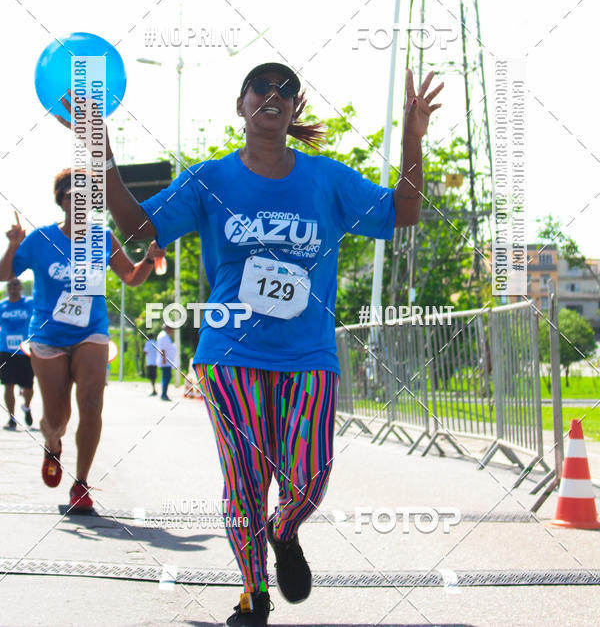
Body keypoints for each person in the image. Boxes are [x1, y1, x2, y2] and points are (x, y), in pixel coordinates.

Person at [55, 62, 442, 624]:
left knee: (309, 478)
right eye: (262, 86)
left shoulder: (327, 180)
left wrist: (411, 139)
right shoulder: (210, 180)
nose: (274, 95)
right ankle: (253, 591)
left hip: (308, 354)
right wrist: (100, 150)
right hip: (230, 354)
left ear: (295, 110)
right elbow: (139, 230)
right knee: (244, 477)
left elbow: (403, 212)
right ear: (241, 105)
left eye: (286, 90)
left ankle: (284, 531)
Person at [0, 169, 165, 510]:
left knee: (91, 402)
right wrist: (13, 246)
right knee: (56, 418)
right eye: (72, 195)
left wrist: (149, 259)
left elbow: (132, 277)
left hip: (92, 330)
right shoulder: (41, 240)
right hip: (48, 335)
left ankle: (81, 484)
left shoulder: (103, 238)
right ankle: (53, 442)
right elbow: (4, 275)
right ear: (60, 200)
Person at [0, 277, 35, 429]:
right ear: (7, 288)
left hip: (25, 350)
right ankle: (12, 418)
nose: (13, 288)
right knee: (8, 385)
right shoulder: (2, 305)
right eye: (10, 285)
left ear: (20, 288)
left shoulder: (29, 303)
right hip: (6, 350)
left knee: (28, 386)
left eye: (16, 285)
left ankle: (26, 407)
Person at [155, 324, 179, 401]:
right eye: (171, 329)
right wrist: (164, 360)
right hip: (166, 361)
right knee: (166, 377)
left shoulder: (164, 335)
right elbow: (163, 349)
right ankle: (164, 394)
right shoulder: (164, 336)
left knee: (166, 377)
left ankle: (164, 394)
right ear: (167, 329)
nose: (171, 331)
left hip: (166, 360)